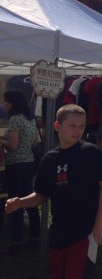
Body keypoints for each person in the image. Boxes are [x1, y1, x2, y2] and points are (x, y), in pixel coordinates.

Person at [6, 104, 102, 279]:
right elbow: (40, 195)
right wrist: (20, 202)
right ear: (57, 126)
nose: (77, 130)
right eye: (72, 125)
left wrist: (99, 223)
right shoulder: (50, 159)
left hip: (84, 232)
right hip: (59, 233)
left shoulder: (91, 153)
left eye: (81, 125)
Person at [0, 89, 41, 250]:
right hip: (29, 162)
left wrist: (1, 140)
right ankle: (35, 235)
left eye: (6, 101)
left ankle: (17, 240)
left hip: (16, 164)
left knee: (15, 203)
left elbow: (12, 146)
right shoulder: (30, 119)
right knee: (29, 201)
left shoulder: (15, 120)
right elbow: (34, 143)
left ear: (12, 103)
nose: (4, 104)